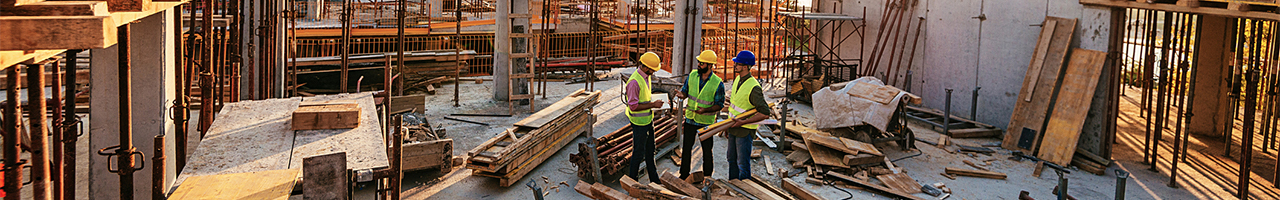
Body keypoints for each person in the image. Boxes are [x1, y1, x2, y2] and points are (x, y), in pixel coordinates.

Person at [674, 50, 724, 180]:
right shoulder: (692, 76)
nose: (699, 65)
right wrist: (682, 95)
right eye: (699, 62)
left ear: (710, 65)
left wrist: (705, 110)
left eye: (702, 63)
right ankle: (684, 175)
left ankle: (708, 177)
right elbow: (685, 91)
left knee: (707, 152)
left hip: (706, 122)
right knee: (686, 150)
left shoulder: (717, 83)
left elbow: (720, 104)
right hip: (691, 119)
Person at [723, 50, 772, 180]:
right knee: (731, 159)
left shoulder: (754, 87)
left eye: (737, 63)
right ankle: (733, 185)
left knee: (742, 163)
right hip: (733, 127)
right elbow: (735, 106)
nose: (735, 65)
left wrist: (743, 122)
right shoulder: (738, 79)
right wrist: (729, 127)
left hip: (744, 131)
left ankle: (744, 189)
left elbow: (765, 113)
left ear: (745, 66)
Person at [625, 52, 666, 181]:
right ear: (646, 67)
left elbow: (644, 98)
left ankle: (654, 179)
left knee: (650, 150)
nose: (654, 72)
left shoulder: (645, 76)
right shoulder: (634, 82)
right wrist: (653, 104)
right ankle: (632, 181)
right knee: (638, 153)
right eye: (653, 69)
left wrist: (655, 103)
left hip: (648, 120)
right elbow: (633, 106)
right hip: (639, 123)